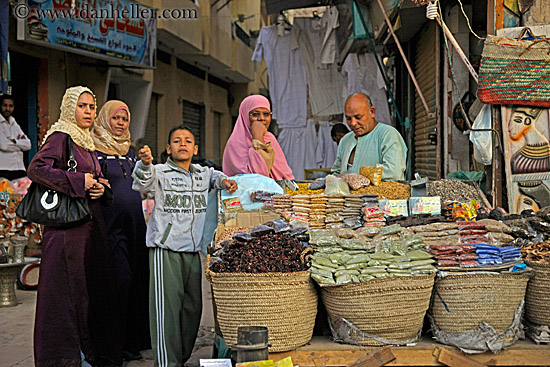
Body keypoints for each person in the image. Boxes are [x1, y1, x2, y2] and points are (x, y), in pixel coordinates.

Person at [28, 86, 121, 367]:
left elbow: (100, 179)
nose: (89, 112)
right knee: (66, 293)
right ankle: (65, 358)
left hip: (88, 228)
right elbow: (37, 169)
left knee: (86, 290)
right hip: (66, 231)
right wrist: (80, 182)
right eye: (82, 106)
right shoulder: (60, 136)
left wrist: (100, 189)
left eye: (92, 107)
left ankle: (86, 353)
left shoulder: (87, 142)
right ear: (70, 108)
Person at [132, 125, 238, 367]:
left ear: (195, 148)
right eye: (177, 141)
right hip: (165, 250)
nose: (183, 144)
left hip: (193, 252)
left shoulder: (202, 173)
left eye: (188, 141)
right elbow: (142, 184)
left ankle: (179, 358)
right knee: (166, 313)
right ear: (168, 148)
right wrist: (146, 164)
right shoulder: (159, 172)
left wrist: (225, 181)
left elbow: (215, 177)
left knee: (192, 310)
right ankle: (167, 363)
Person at [91, 100, 150, 362]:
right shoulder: (94, 151)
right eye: (116, 118)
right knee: (120, 280)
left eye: (125, 119)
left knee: (137, 281)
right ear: (105, 120)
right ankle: (110, 345)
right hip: (110, 226)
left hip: (135, 226)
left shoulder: (131, 153)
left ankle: (130, 342)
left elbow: (144, 184)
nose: (121, 124)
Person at [332, 92, 407, 181]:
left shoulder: (388, 134)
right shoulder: (345, 140)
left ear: (372, 112)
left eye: (358, 117)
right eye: (348, 118)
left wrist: (358, 176)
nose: (353, 123)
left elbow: (394, 172)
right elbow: (336, 172)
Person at [222, 94, 294, 180]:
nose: (262, 118)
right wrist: (258, 139)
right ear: (245, 116)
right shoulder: (235, 144)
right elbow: (258, 178)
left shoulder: (270, 138)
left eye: (266, 114)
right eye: (255, 114)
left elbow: (285, 174)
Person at [0, 94, 31, 180]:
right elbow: (4, 146)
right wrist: (20, 144)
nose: (8, 109)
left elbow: (28, 145)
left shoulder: (14, 122)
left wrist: (15, 142)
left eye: (11, 106)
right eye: (5, 105)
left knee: (21, 192)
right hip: (4, 169)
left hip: (19, 168)